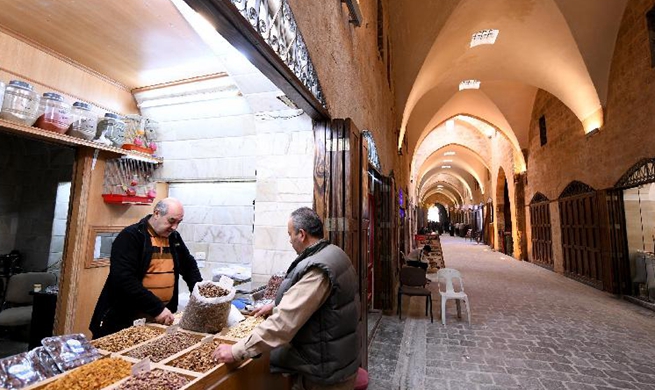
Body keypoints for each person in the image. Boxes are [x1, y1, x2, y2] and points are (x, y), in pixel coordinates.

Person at [212, 207, 360, 390]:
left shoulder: (318, 269)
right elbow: (314, 302)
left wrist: (237, 351)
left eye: (290, 234)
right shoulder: (334, 252)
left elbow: (283, 323)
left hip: (325, 375)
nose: (289, 240)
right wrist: (275, 305)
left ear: (302, 234)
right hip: (337, 360)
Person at [89, 197, 202, 338]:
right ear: (157, 213)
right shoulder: (131, 236)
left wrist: (199, 294)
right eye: (171, 221)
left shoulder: (174, 237)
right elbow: (124, 279)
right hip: (126, 319)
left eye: (178, 222)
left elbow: (188, 265)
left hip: (159, 319)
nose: (174, 227)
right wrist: (157, 308)